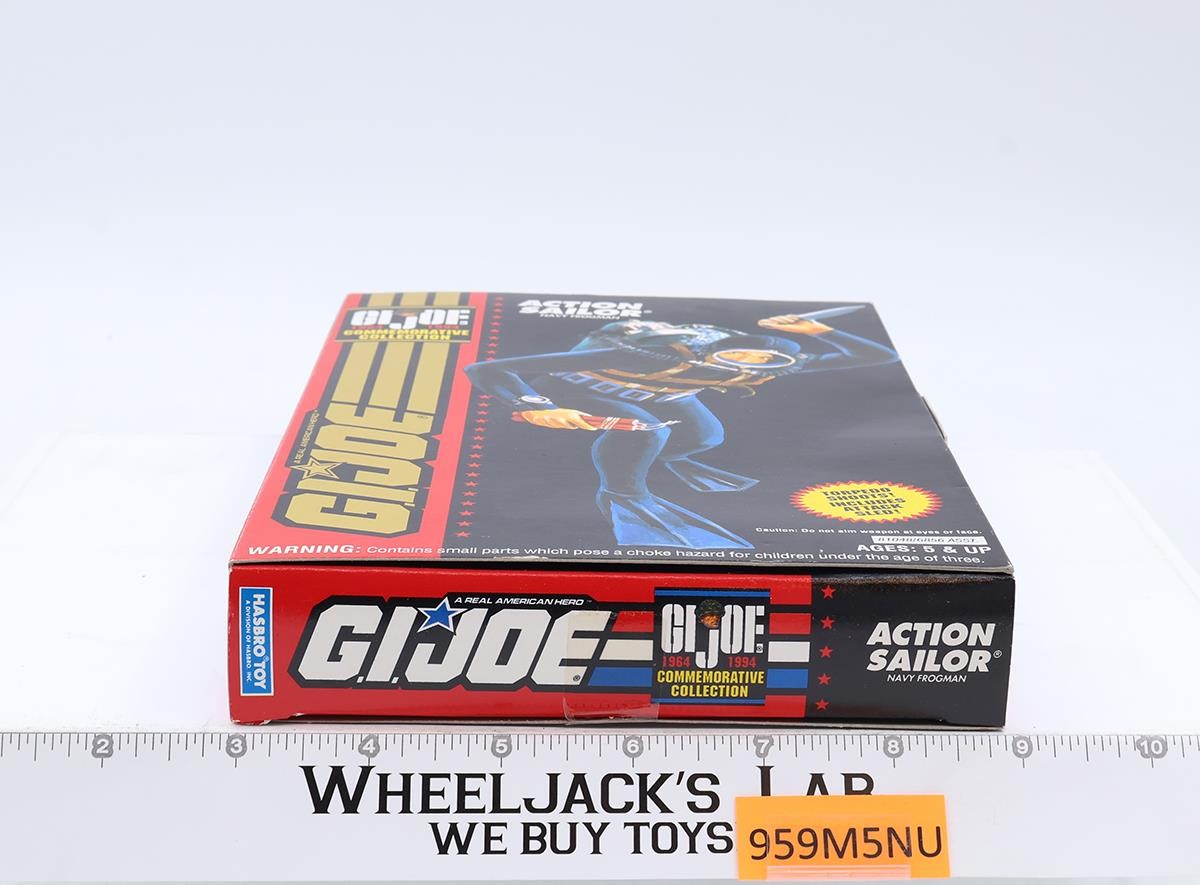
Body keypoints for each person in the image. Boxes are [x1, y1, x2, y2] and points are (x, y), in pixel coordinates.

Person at [465, 310, 898, 548]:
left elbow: (880, 357)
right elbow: (489, 367)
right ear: (714, 350)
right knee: (648, 431)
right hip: (574, 387)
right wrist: (535, 405)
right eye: (744, 356)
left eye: (766, 362)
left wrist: (820, 329)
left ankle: (664, 459)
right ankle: (623, 495)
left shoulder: (770, 368)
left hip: (664, 397)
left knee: (707, 436)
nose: (753, 365)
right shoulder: (645, 356)